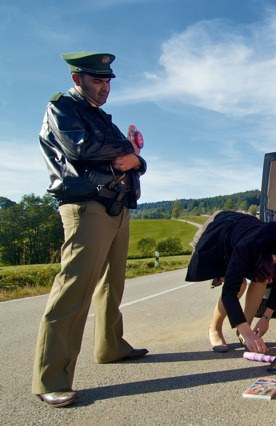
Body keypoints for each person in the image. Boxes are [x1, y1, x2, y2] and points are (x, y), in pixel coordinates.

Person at [33, 51, 148, 407]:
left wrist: (136, 157)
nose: (104, 88)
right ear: (77, 80)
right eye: (97, 81)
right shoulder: (62, 108)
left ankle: (110, 347)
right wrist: (128, 151)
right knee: (73, 289)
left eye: (108, 81)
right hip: (87, 206)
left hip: (117, 204)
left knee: (112, 284)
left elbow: (131, 162)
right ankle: (50, 378)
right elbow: (80, 148)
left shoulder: (103, 118)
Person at [185, 211, 276, 354]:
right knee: (240, 285)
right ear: (266, 250)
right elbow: (229, 293)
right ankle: (215, 328)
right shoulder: (245, 247)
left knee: (261, 279)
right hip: (221, 240)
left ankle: (245, 329)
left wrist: (266, 318)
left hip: (247, 236)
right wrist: (248, 334)